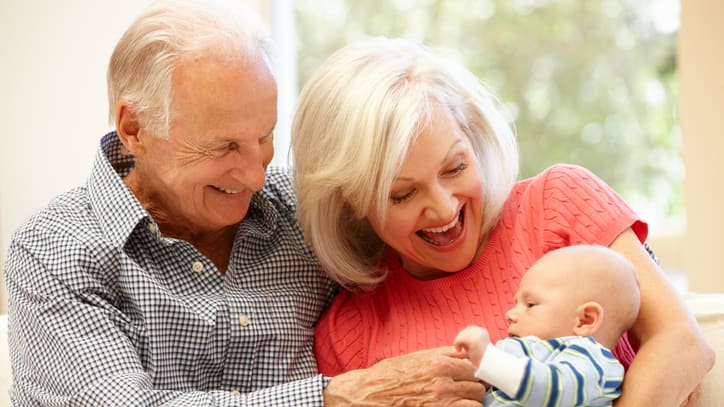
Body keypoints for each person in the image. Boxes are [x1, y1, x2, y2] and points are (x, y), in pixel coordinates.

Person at [4, 3, 486, 405]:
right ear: (134, 129)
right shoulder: (53, 252)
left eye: (265, 137)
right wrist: (336, 397)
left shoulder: (298, 208)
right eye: (225, 147)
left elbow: (434, 239)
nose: (256, 175)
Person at [291, 36, 714, 406]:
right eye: (403, 193)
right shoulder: (348, 332)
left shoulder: (558, 205)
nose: (443, 208)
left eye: (455, 167)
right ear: (351, 203)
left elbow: (683, 343)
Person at [454, 244, 641, 406]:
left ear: (585, 320)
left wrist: (488, 359)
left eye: (530, 305)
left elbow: (549, 387)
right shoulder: (522, 351)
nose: (509, 314)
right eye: (516, 303)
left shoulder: (594, 363)